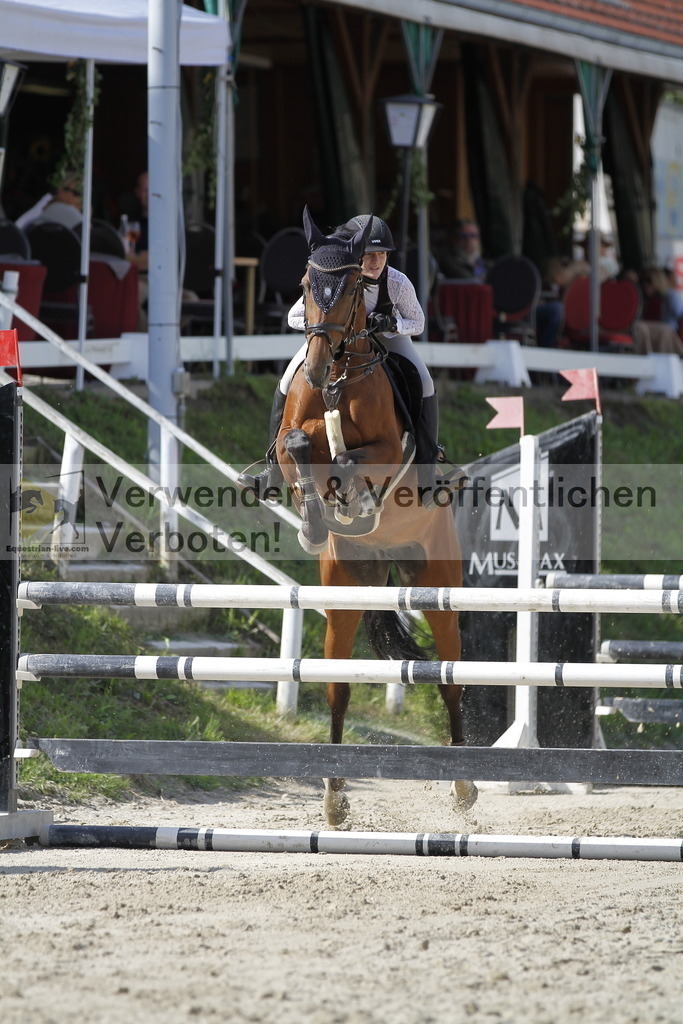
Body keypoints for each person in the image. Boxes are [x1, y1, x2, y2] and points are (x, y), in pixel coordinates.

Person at [238, 214, 459, 507]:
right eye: (369, 255)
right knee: (289, 377)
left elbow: (417, 322)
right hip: (335, 341)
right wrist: (323, 326)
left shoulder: (396, 282)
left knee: (425, 380)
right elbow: (293, 316)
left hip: (389, 339)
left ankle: (429, 472)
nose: (375, 262)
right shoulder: (336, 276)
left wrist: (392, 324)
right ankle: (272, 472)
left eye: (381, 255)